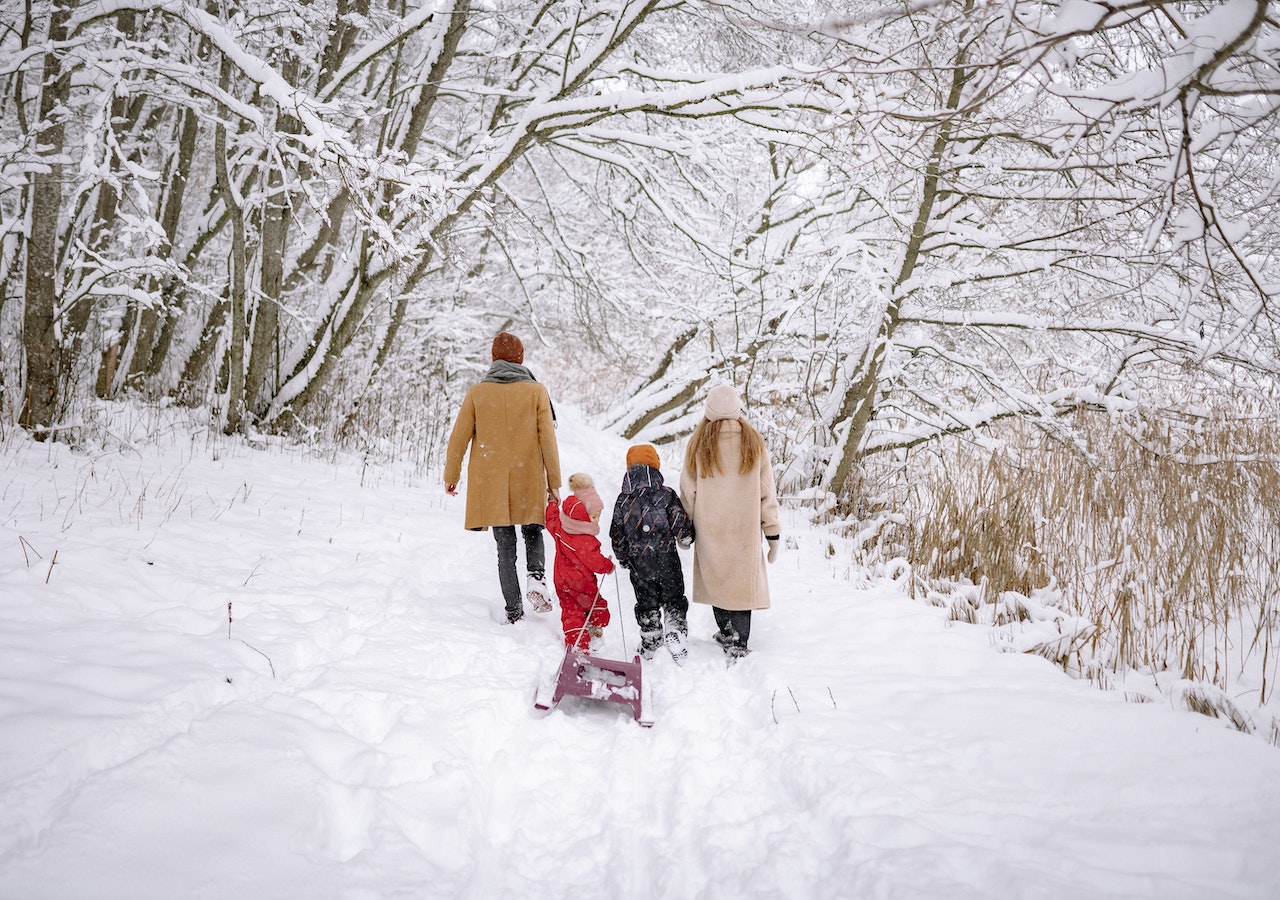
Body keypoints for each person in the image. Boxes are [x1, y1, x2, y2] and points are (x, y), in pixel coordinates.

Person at [444, 332, 561, 624]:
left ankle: (513, 610)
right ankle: (536, 577)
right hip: (528, 476)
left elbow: (458, 438)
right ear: (521, 358)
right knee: (533, 528)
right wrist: (553, 482)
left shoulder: (477, 393)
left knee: (505, 545)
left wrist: (452, 476)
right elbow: (548, 438)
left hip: (492, 480)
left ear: (493, 358)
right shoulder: (536, 392)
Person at [679, 384, 780, 663]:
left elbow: (689, 491)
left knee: (719, 581)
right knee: (739, 585)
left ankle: (726, 633)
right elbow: (766, 491)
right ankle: (740, 640)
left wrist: (685, 530)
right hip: (744, 528)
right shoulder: (753, 441)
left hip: (710, 527)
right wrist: (772, 531)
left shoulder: (699, 443)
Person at [609, 444, 694, 663]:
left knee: (646, 602)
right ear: (656, 466)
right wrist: (686, 535)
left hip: (640, 562)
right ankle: (675, 630)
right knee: (673, 598)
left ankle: (651, 639)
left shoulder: (623, 500)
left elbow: (616, 533)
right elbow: (679, 522)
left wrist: (623, 556)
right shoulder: (666, 495)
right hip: (667, 558)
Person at [545, 474, 615, 652]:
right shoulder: (585, 540)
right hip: (583, 584)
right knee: (597, 606)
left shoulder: (561, 527)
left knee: (571, 613)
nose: (597, 520)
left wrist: (553, 504)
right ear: (582, 516)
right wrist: (608, 566)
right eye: (593, 516)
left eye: (598, 516)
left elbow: (551, 520)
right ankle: (595, 630)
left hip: (562, 582)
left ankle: (578, 646)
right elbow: (596, 563)